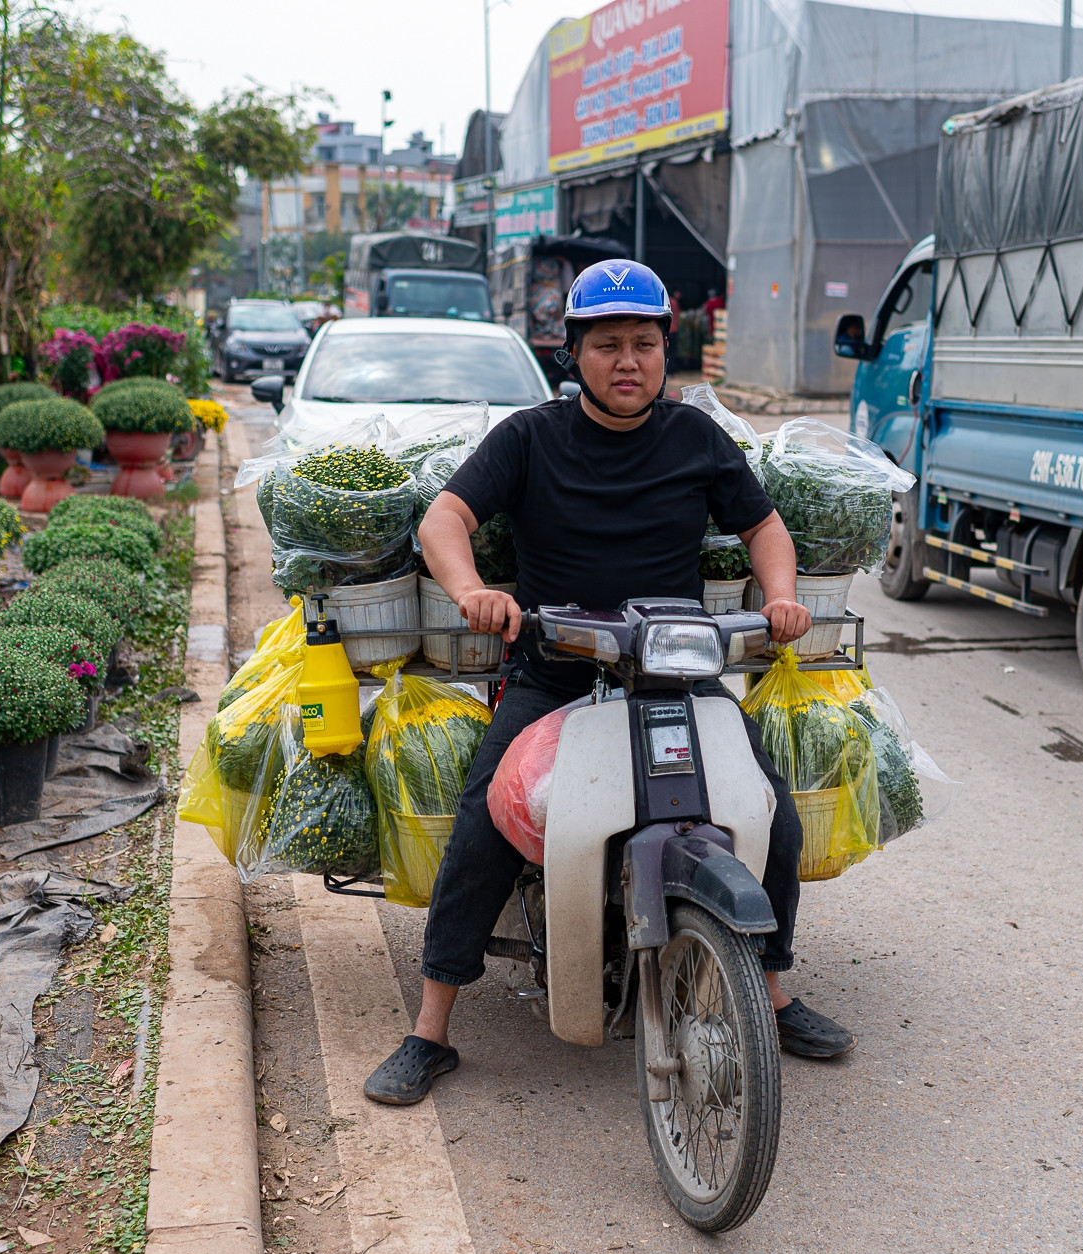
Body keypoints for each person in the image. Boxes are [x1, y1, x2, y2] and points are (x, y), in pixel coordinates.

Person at [363, 259, 857, 1106]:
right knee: (485, 821)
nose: (628, 361)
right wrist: (473, 591)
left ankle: (770, 990)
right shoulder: (529, 436)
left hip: (674, 672)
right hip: (556, 672)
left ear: (668, 350)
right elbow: (446, 518)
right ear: (574, 353)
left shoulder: (698, 438)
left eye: (645, 343)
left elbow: (764, 525)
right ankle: (430, 1026)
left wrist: (780, 596)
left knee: (767, 812)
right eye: (608, 345)